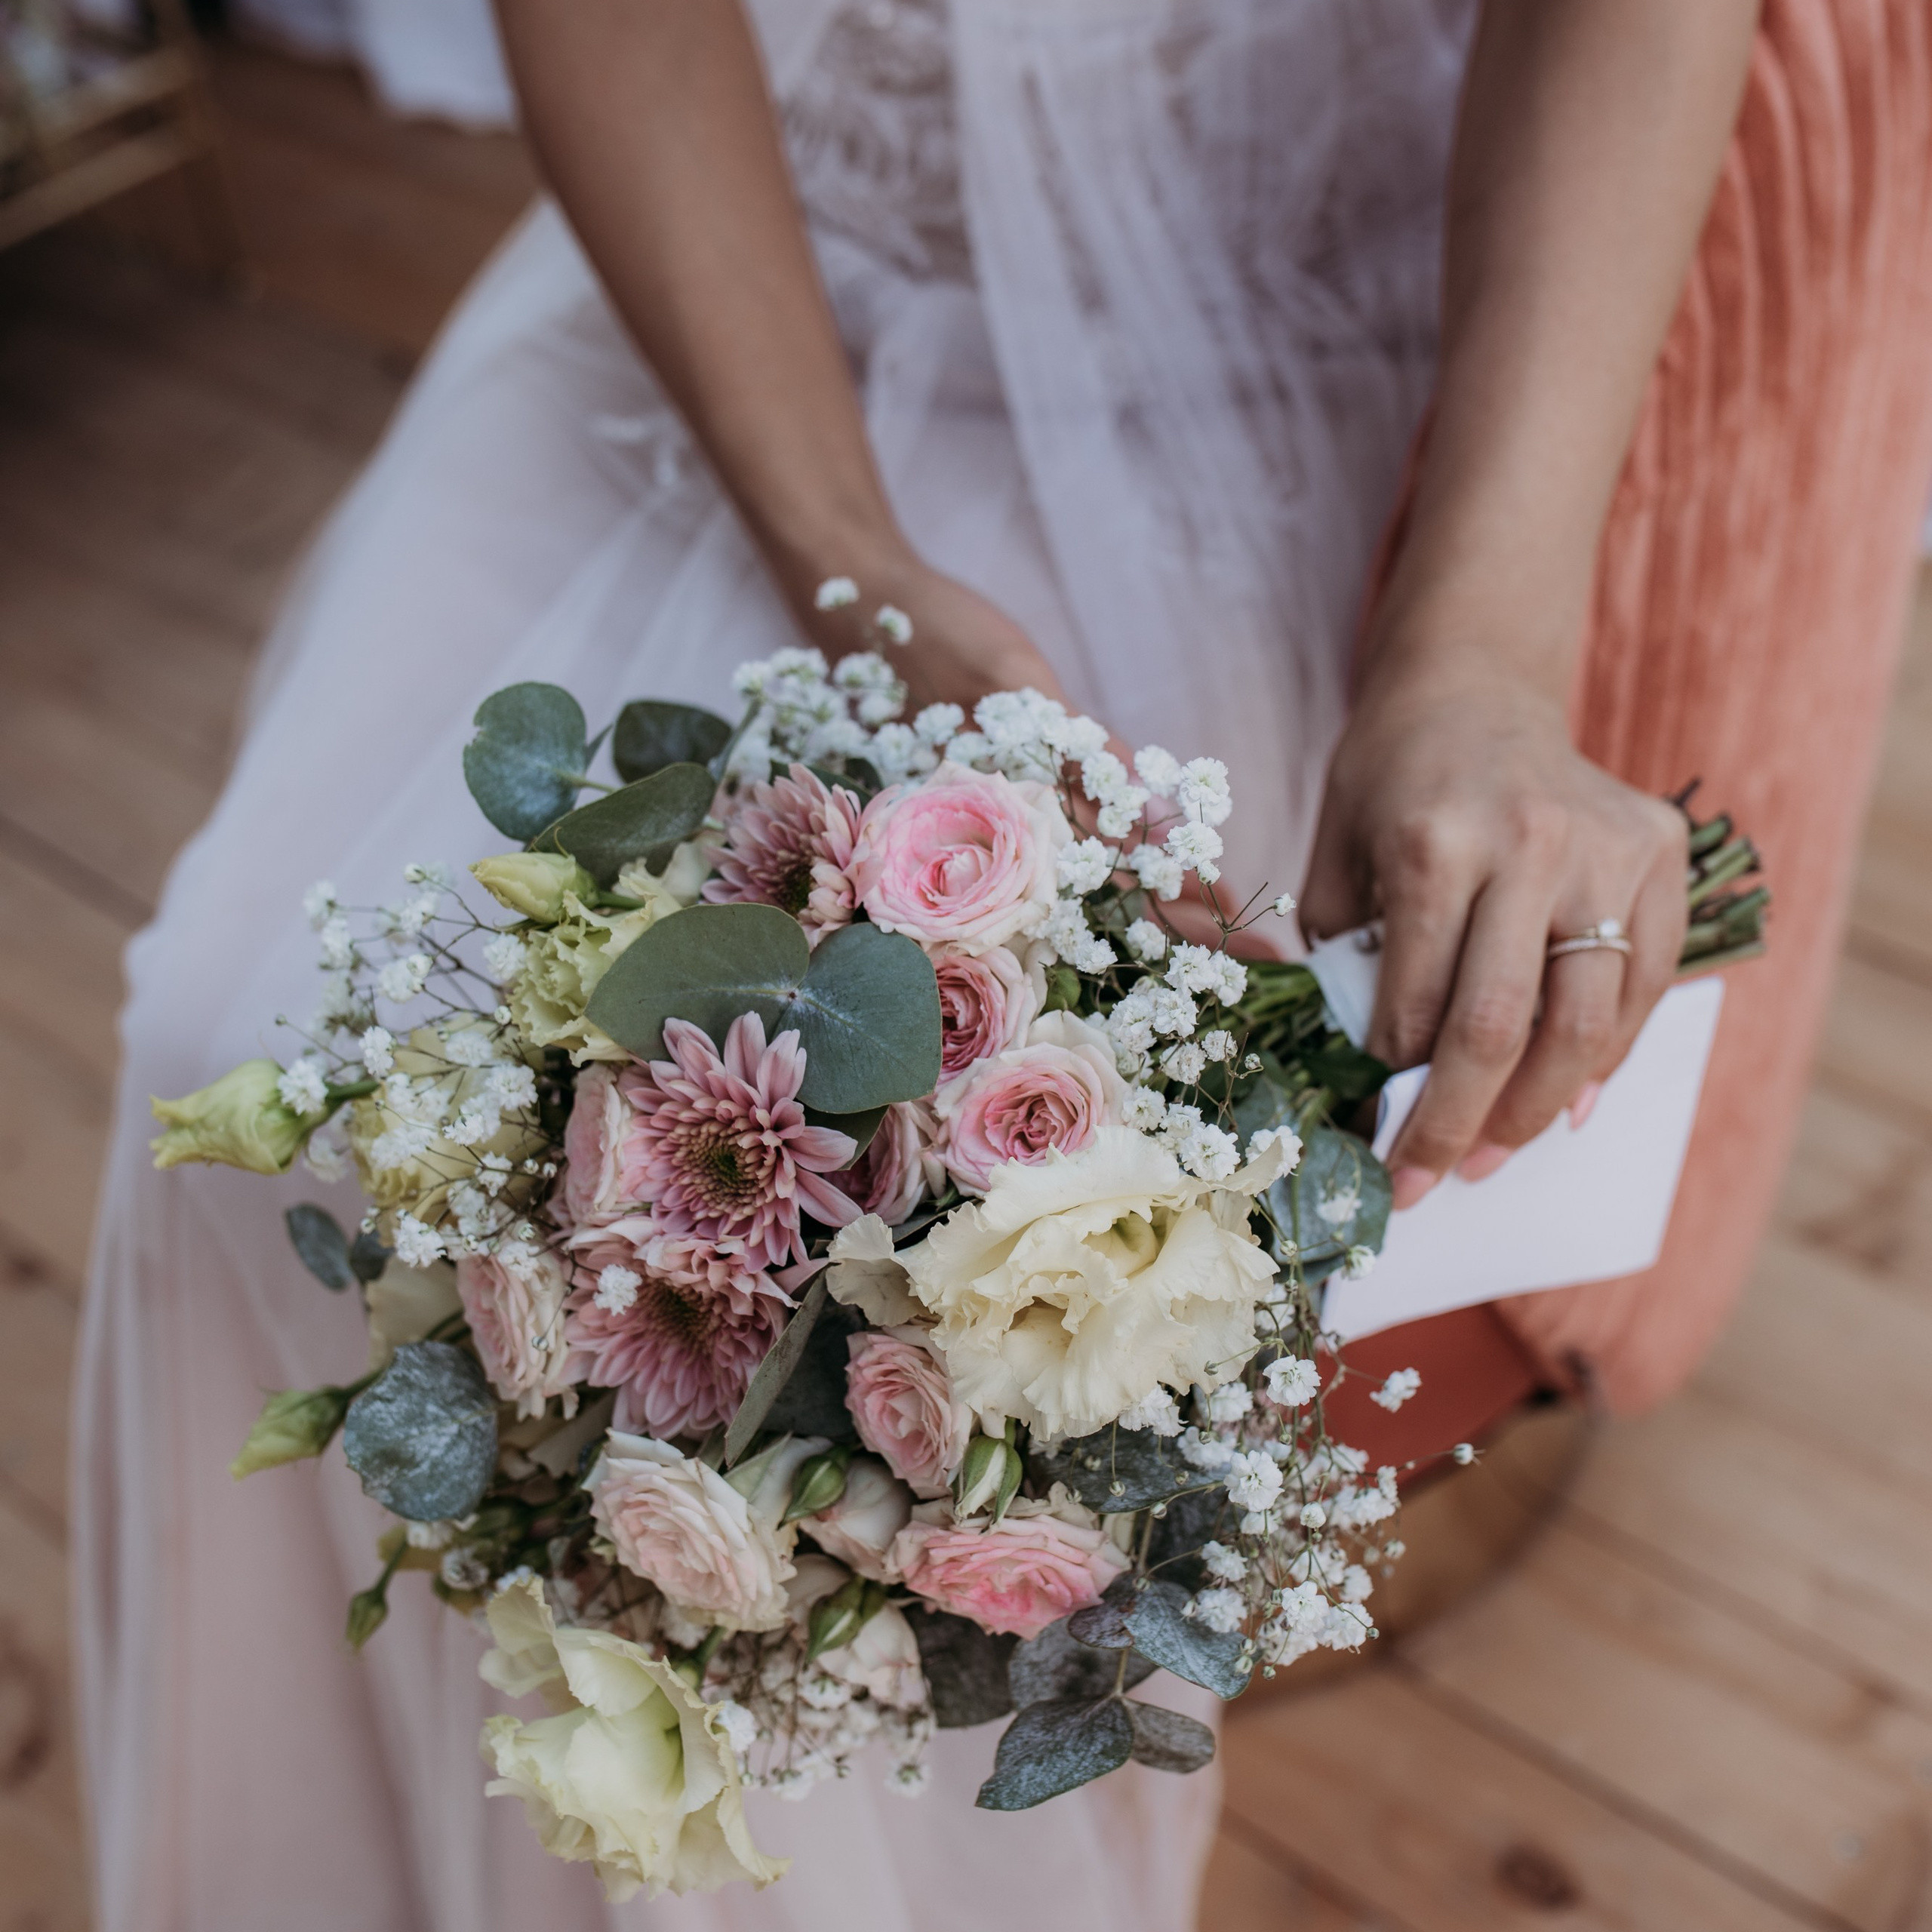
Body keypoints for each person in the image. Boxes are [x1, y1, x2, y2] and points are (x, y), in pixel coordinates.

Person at [75, 2, 1932, 1927]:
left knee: (958, 1327)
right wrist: (851, 576)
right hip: (772, 274)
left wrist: (1473, 659)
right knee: (244, 1059)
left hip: (1317, 324)